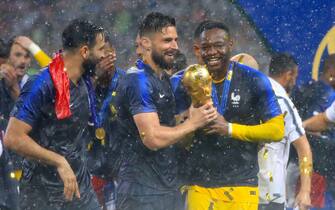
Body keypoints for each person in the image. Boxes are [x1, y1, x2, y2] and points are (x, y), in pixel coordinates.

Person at [171, 20, 284, 210]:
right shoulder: (183, 82)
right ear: (197, 49)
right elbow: (177, 140)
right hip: (198, 185)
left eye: (219, 45)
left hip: (241, 184)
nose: (212, 52)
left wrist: (229, 129)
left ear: (230, 45)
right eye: (206, 47)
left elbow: (277, 130)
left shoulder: (254, 79)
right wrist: (190, 121)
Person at [114, 12, 217, 210]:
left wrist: (192, 112)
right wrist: (192, 123)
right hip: (142, 193)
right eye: (167, 40)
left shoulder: (162, 79)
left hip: (168, 188)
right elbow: (151, 138)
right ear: (145, 43)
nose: (175, 46)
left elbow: (171, 131)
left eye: (176, 40)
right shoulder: (138, 81)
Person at [4, 18, 105, 210]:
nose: (103, 55)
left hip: (79, 189)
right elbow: (13, 138)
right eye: (100, 49)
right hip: (42, 194)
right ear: (84, 51)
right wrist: (59, 161)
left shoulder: (84, 83)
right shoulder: (41, 84)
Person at [258, 53, 312, 210]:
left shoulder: (253, 90)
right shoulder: (281, 100)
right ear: (289, 75)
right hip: (270, 192)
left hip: (243, 186)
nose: (294, 82)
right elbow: (303, 147)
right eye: (295, 76)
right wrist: (305, 191)